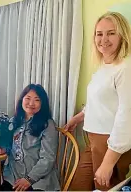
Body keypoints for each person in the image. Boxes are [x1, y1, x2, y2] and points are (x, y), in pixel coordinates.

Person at [65, 12, 131, 191]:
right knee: (77, 186)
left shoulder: (124, 69)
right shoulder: (103, 67)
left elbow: (126, 117)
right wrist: (77, 118)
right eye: (99, 33)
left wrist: (109, 162)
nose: (104, 39)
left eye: (111, 33)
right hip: (92, 138)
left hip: (110, 142)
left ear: (122, 35)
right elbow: (98, 102)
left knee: (105, 187)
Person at [0, 84, 60, 191]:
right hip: (13, 178)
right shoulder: (13, 122)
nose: (31, 103)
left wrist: (29, 179)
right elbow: (10, 147)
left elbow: (48, 159)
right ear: (21, 100)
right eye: (28, 98)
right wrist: (3, 149)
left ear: (42, 103)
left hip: (39, 181)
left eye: (37, 100)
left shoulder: (48, 125)